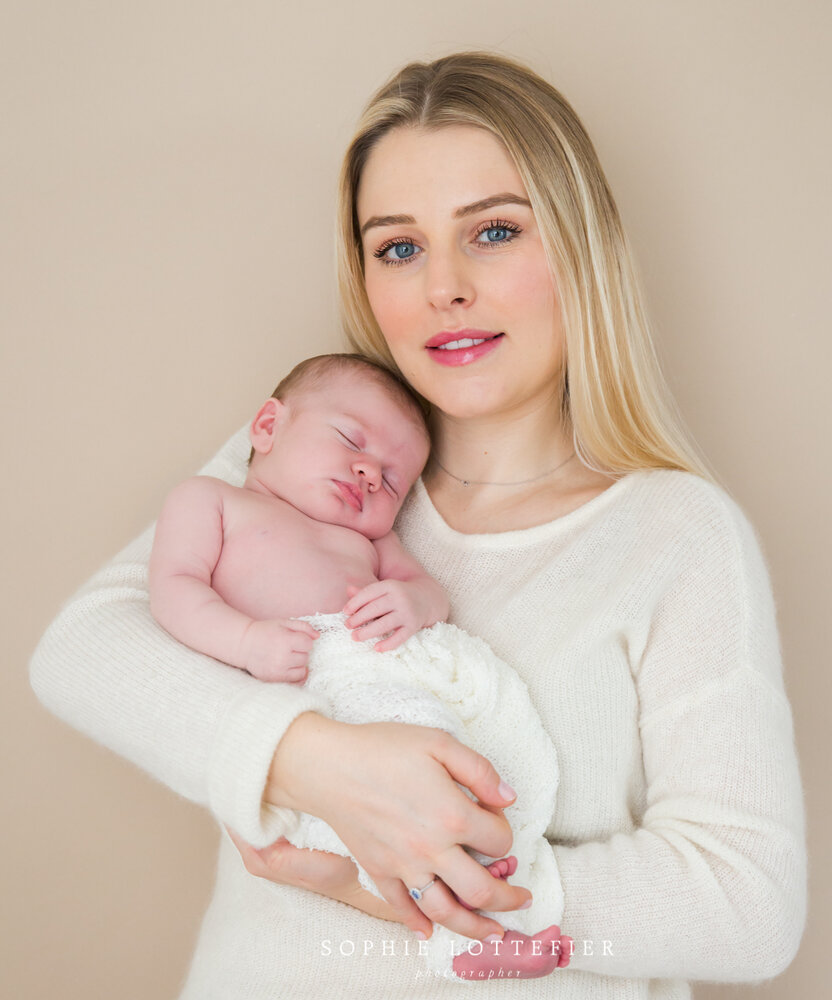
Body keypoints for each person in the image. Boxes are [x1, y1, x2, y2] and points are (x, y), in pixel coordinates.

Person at [30, 51, 806, 998]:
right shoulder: (317, 460)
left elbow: (748, 905)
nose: (444, 287)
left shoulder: (675, 534)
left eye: (494, 232)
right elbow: (80, 651)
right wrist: (314, 764)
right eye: (399, 246)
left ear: (581, 246)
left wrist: (407, 886)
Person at [148, 351, 571, 979]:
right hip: (309, 691)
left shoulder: (371, 540)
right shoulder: (211, 502)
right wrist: (245, 642)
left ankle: (487, 889)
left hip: (378, 674)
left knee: (452, 754)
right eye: (350, 440)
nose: (370, 473)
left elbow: (431, 594)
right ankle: (465, 937)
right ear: (267, 428)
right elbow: (172, 590)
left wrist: (408, 600)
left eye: (394, 480)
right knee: (370, 814)